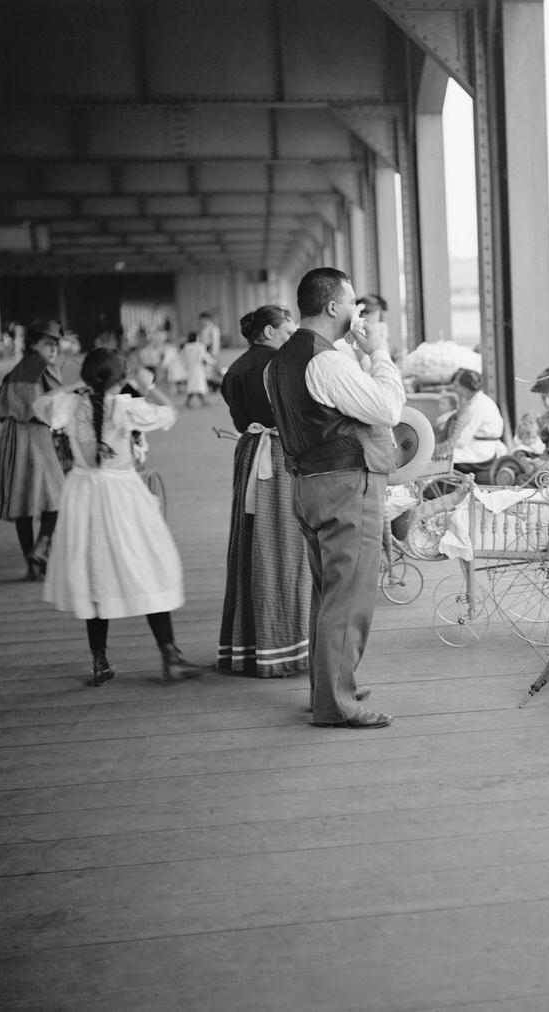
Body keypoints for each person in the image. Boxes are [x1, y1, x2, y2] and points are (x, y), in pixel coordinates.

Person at [264, 267, 404, 729]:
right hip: (347, 485)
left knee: (327, 593)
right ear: (331, 307)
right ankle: (336, 704)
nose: (355, 311)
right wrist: (379, 353)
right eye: (351, 303)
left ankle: (327, 687)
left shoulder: (279, 361)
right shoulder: (326, 361)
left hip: (307, 484)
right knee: (349, 597)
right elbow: (387, 408)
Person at [33, 349, 203, 686]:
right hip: (123, 495)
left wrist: (81, 384)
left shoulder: (70, 405)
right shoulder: (125, 407)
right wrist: (147, 385)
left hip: (83, 493)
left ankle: (100, 660)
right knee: (149, 566)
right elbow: (169, 413)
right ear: (120, 378)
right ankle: (169, 654)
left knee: (92, 574)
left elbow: (43, 405)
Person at [217, 305, 311, 678]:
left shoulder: (235, 368)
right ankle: (286, 646)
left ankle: (247, 646)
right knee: (285, 548)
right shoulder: (279, 365)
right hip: (279, 456)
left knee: (250, 547)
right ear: (270, 332)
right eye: (287, 332)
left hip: (249, 454)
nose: (291, 339)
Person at [0, 321, 66, 581]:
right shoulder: (44, 368)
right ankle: (41, 548)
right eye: (48, 344)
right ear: (33, 344)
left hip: (11, 437)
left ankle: (32, 563)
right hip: (37, 436)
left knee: (22, 503)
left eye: (55, 345)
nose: (53, 350)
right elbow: (55, 409)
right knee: (57, 498)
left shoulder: (18, 368)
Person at [442, 368, 507, 479]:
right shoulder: (475, 401)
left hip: (483, 450)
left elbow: (463, 438)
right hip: (478, 446)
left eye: (457, 385)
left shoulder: (477, 405)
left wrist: (446, 446)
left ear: (465, 386)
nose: (455, 389)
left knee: (445, 459)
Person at [177, 331, 216, 407]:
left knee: (192, 385)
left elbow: (182, 357)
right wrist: (212, 362)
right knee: (198, 385)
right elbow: (204, 357)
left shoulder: (186, 347)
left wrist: (186, 366)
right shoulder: (200, 346)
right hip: (198, 368)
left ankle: (198, 401)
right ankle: (197, 401)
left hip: (190, 368)